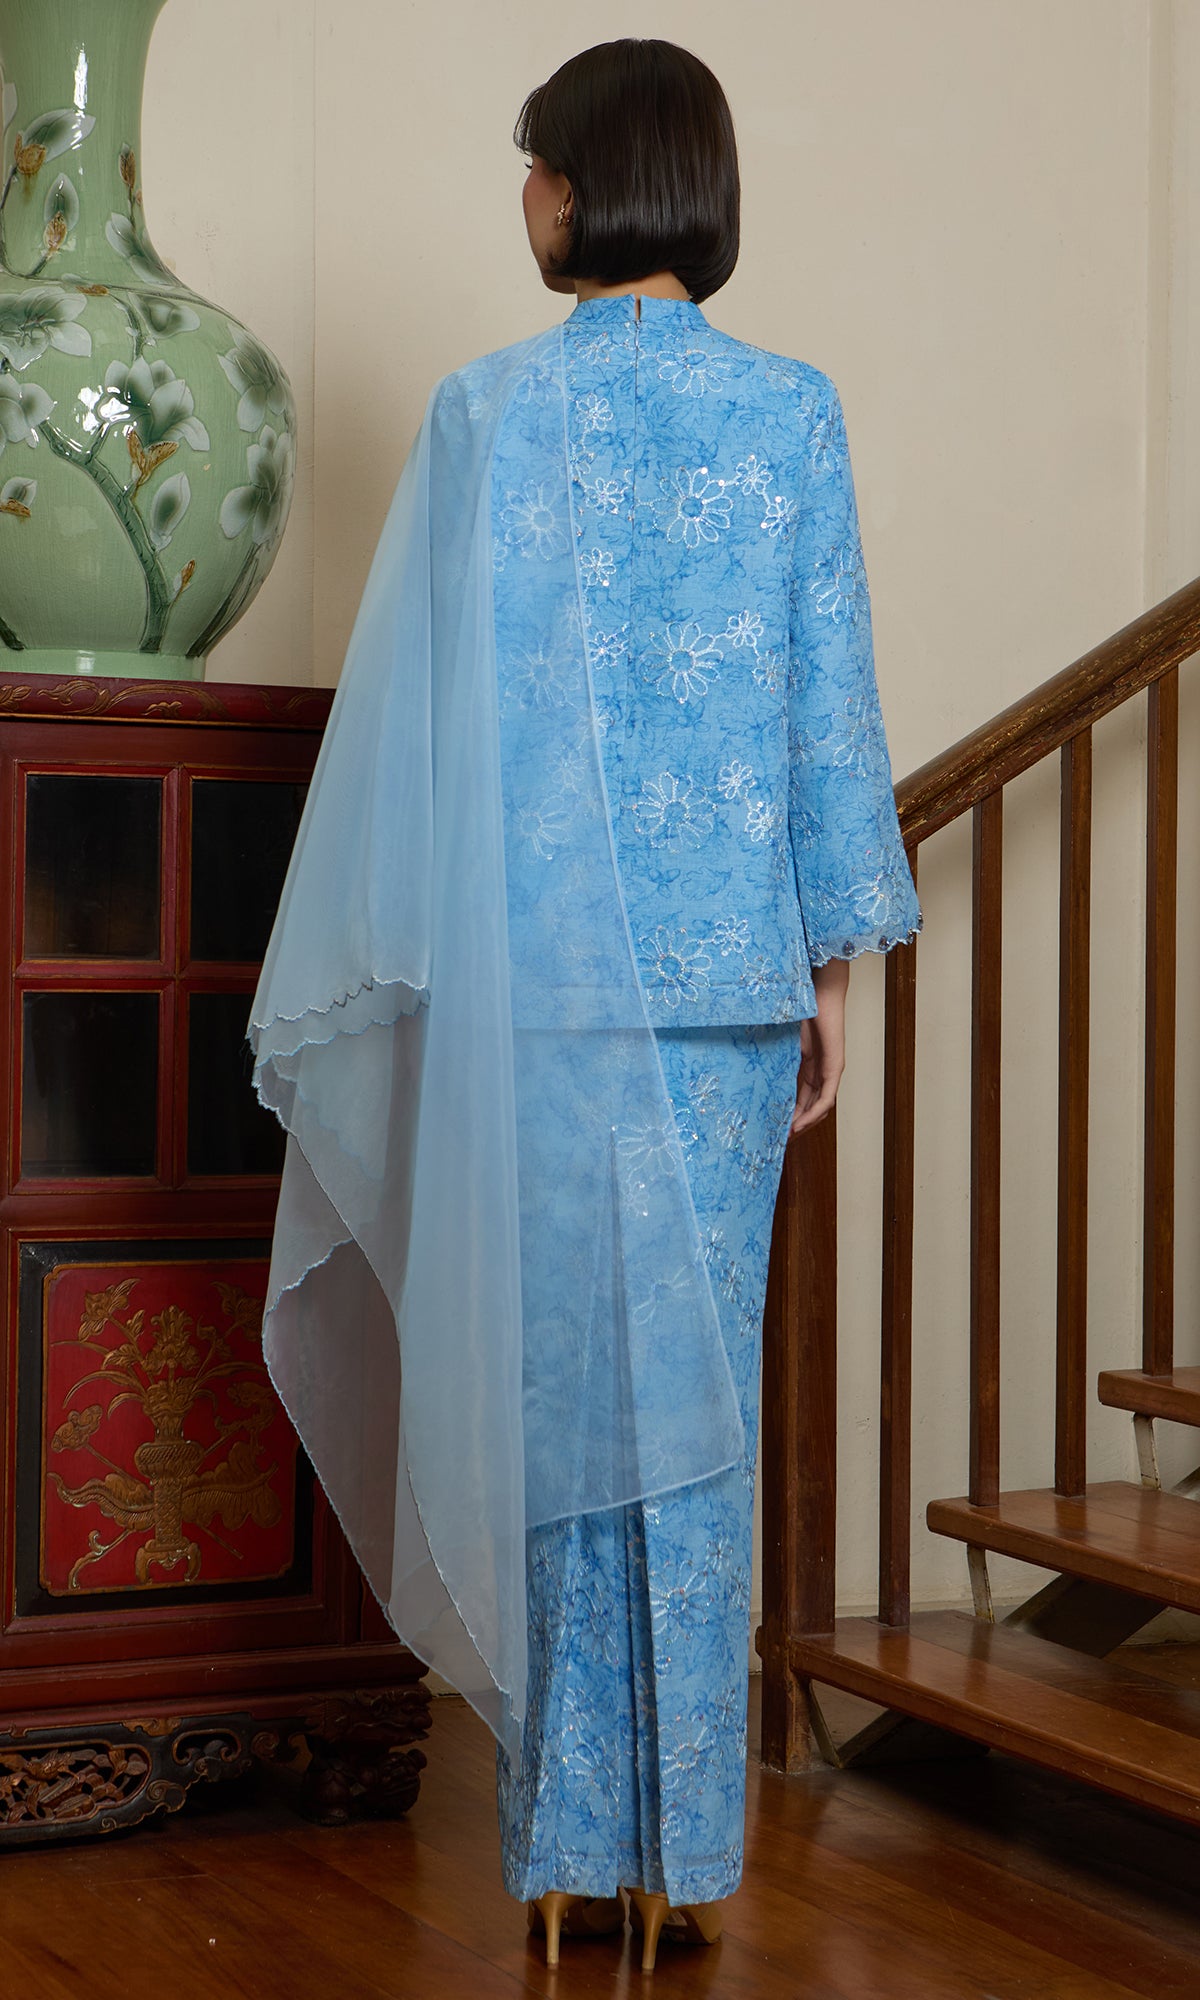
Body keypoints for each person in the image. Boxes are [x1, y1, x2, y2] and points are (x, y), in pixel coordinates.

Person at [249, 35, 920, 1977]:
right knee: (695, 1416)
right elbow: (823, 706)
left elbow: (431, 736)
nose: (523, 196)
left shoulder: (486, 415)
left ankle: (559, 1850)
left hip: (534, 992)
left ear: (585, 182)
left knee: (552, 1406)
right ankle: (681, 1855)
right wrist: (830, 975)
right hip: (723, 997)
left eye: (534, 166)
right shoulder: (790, 414)